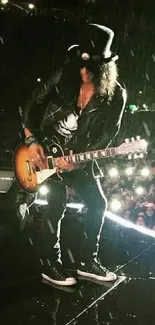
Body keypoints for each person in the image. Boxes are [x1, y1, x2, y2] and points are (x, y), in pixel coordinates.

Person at [23, 23, 127, 286]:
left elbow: (107, 137)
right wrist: (32, 139)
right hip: (44, 149)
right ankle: (50, 264)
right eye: (80, 65)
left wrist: (77, 159)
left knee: (98, 204)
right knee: (56, 202)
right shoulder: (63, 77)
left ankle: (87, 262)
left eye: (90, 67)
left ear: (104, 67)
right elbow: (33, 103)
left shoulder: (116, 95)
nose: (83, 72)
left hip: (78, 157)